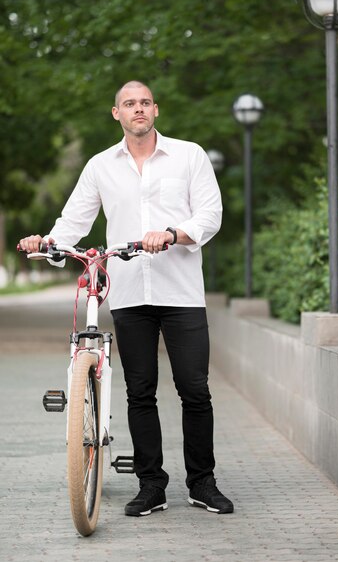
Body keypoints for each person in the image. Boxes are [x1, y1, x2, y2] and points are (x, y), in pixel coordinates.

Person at [19, 80, 234, 516]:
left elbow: (210, 214)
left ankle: (202, 483)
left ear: (156, 109)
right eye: (128, 104)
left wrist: (174, 234)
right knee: (140, 391)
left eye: (144, 103)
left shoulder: (189, 156)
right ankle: (151, 485)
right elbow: (75, 218)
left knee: (194, 389)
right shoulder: (101, 166)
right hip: (130, 293)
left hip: (182, 292)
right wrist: (49, 242)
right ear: (116, 113)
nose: (137, 109)